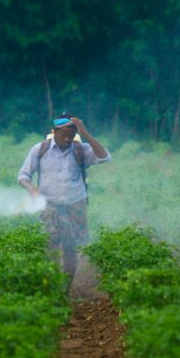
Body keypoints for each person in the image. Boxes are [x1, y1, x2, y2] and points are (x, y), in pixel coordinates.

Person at [18, 114, 111, 289]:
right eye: (63, 134)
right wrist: (33, 191)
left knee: (70, 247)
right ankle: (53, 284)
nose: (67, 138)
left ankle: (65, 288)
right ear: (54, 132)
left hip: (75, 204)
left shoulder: (81, 149)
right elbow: (23, 176)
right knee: (51, 245)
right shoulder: (40, 149)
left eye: (71, 135)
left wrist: (86, 133)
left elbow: (104, 156)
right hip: (48, 205)